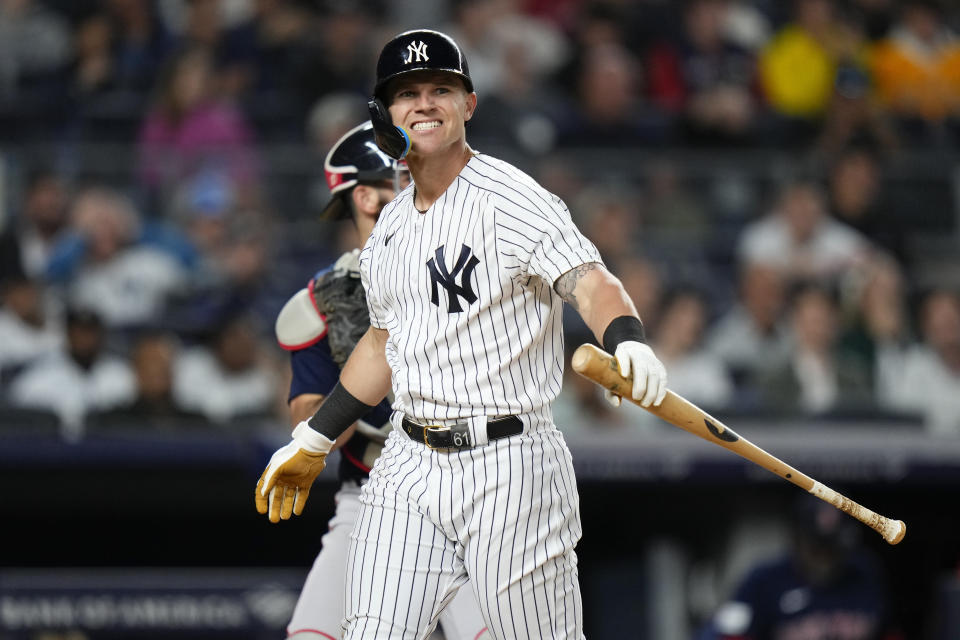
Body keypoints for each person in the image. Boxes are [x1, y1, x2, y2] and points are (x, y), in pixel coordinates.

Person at [255, 29, 668, 639]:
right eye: (408, 93)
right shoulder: (390, 226)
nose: (424, 104)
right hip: (409, 464)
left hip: (510, 463)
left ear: (468, 104)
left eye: (440, 89)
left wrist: (627, 337)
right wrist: (314, 440)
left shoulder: (513, 197)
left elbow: (590, 282)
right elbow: (380, 347)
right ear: (386, 115)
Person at [271, 121, 489, 639]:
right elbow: (316, 430)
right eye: (414, 174)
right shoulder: (323, 305)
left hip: (471, 494)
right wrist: (364, 351)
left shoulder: (474, 273)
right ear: (367, 195)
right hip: (370, 499)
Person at [699, 494, 892, 640]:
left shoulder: (864, 573)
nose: (825, 557)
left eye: (832, 548)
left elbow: (891, 631)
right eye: (817, 548)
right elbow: (719, 632)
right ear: (797, 541)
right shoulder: (765, 579)